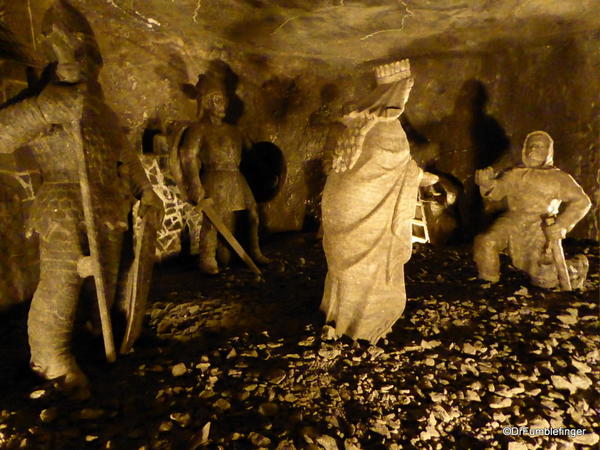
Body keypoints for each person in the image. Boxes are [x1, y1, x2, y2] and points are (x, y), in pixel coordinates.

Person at [0, 0, 162, 398]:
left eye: (85, 51)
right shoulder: (46, 99)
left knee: (103, 280)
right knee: (63, 283)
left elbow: (124, 155)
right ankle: (51, 355)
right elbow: (3, 136)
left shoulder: (101, 109)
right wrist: (43, 110)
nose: (82, 59)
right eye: (73, 50)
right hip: (63, 201)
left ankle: (95, 333)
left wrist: (145, 189)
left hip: (107, 203)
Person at [320, 59, 436, 344]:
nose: (406, 98)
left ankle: (337, 315)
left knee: (347, 261)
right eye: (405, 92)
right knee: (369, 265)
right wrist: (421, 176)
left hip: (343, 205)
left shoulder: (358, 125)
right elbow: (396, 166)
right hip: (368, 207)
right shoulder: (388, 129)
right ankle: (363, 324)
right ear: (396, 95)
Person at [176, 73, 269, 274]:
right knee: (213, 218)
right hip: (214, 176)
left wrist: (267, 173)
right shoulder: (198, 129)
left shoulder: (235, 130)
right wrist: (195, 185)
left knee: (252, 214)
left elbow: (253, 153)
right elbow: (187, 157)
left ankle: (254, 250)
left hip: (235, 176)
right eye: (218, 100)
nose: (223, 105)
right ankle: (207, 257)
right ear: (207, 103)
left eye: (224, 100)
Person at [473, 130, 591, 289]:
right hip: (512, 221)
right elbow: (498, 190)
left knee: (544, 279)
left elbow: (582, 201)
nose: (533, 150)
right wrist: (488, 184)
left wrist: (562, 224)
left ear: (548, 152)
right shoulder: (515, 174)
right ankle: (488, 282)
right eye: (530, 146)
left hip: (539, 226)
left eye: (539, 147)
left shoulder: (559, 178)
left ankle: (576, 268)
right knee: (486, 242)